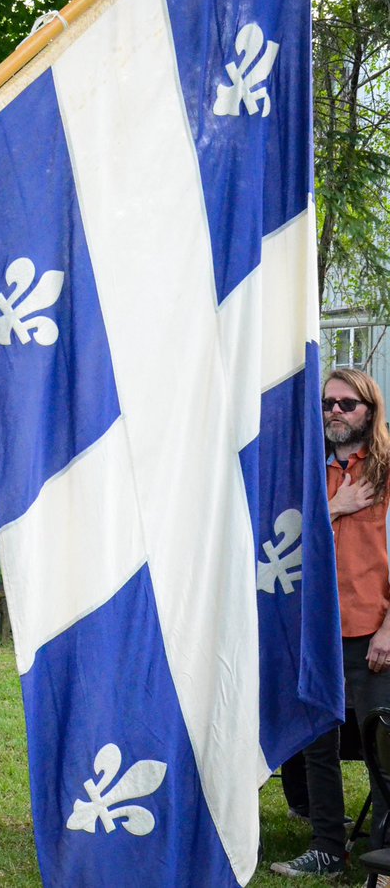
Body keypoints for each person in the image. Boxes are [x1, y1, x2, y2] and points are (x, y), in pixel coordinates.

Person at [272, 367, 390, 879]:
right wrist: (335, 507)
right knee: (316, 742)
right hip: (313, 631)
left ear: (370, 410)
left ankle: (382, 857)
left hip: (373, 633)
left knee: (383, 752)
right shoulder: (307, 474)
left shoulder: (385, 472)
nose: (335, 412)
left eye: (347, 403)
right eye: (328, 404)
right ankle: (327, 847)